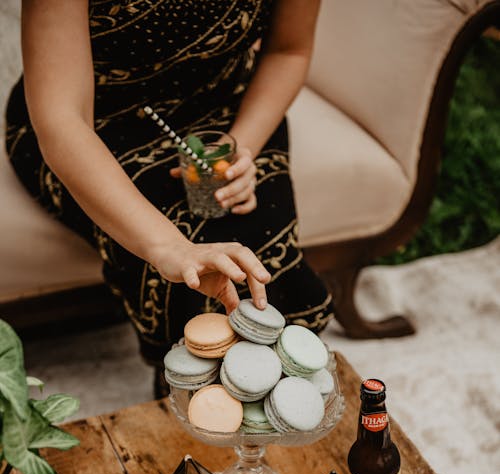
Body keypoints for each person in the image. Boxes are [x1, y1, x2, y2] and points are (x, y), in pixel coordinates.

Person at [6, 0, 334, 396]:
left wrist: (237, 151)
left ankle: (273, 404)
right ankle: (183, 392)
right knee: (191, 264)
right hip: (95, 124)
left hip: (226, 108)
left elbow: (289, 50)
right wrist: (172, 248)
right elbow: (64, 121)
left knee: (257, 243)